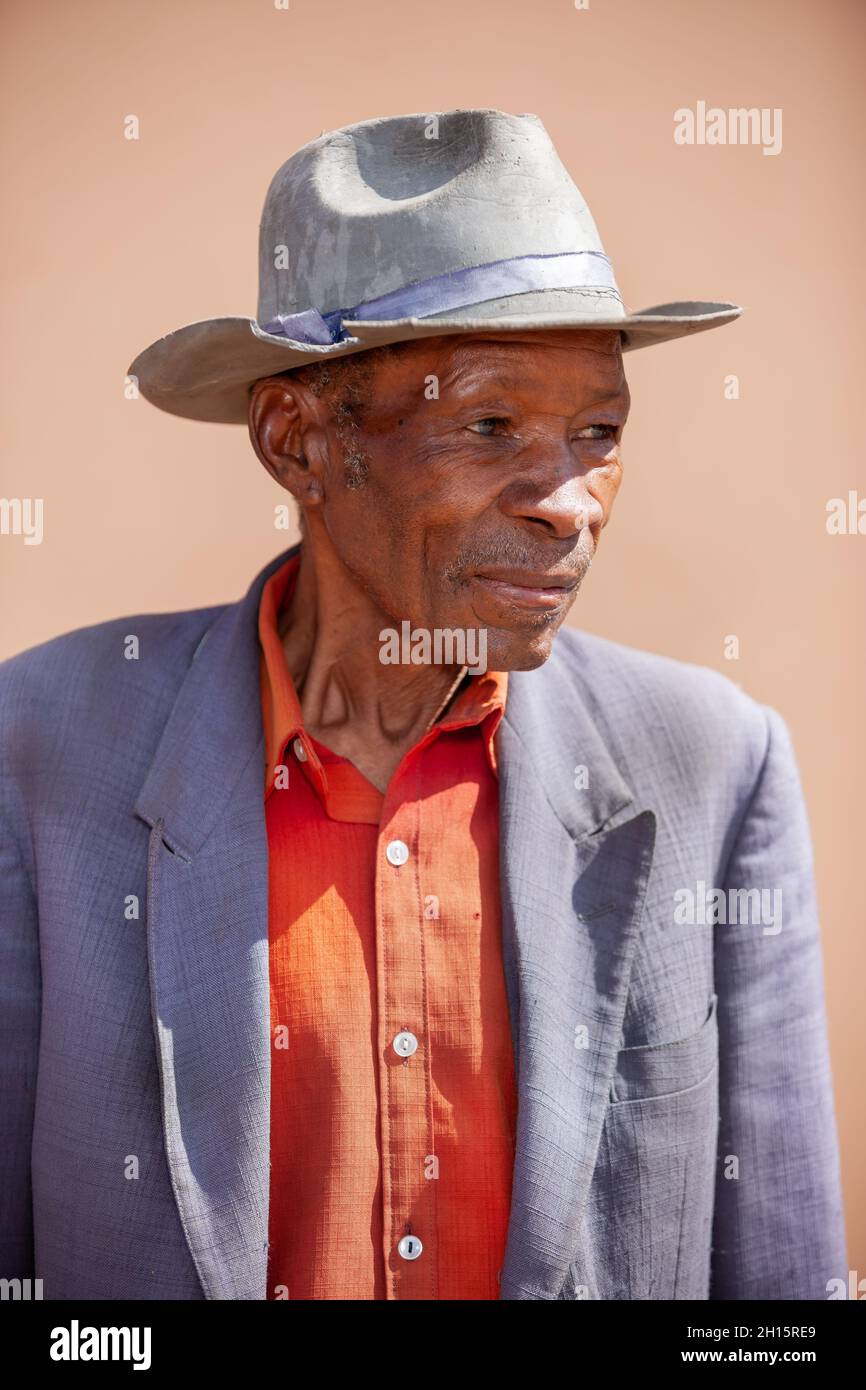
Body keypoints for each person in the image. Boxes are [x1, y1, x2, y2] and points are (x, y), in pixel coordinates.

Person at [0, 108, 847, 1300]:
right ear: (296, 442)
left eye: (596, 431)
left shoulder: (714, 763)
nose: (570, 501)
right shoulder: (39, 750)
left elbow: (778, 1291)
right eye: (488, 423)